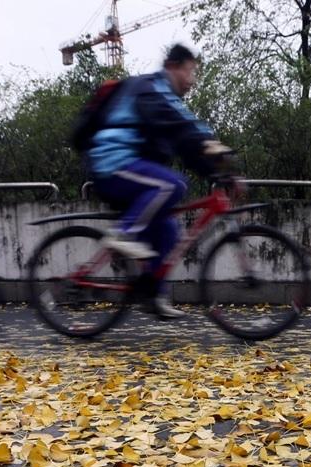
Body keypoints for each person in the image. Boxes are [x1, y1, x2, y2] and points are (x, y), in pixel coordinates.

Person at [87, 43, 236, 319]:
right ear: (173, 67)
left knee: (168, 229)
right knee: (171, 184)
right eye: (190, 72)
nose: (192, 81)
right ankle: (123, 234)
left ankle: (152, 295)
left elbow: (184, 144)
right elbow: (185, 126)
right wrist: (210, 143)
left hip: (131, 169)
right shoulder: (151, 87)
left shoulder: (166, 99)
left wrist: (217, 174)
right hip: (112, 162)